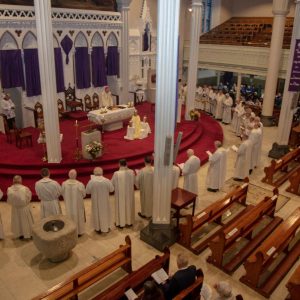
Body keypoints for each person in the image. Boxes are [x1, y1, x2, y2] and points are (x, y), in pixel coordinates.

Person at [86, 167, 114, 233]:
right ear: (102, 172)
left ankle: (98, 228)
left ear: (94, 173)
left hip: (96, 202)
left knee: (96, 213)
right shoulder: (106, 180)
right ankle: (106, 227)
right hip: (105, 202)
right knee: (105, 214)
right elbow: (112, 189)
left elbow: (87, 191)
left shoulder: (91, 181)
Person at [111, 159, 135, 228]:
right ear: (126, 164)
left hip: (120, 194)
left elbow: (111, 184)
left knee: (121, 206)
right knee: (129, 205)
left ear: (119, 164)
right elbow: (134, 181)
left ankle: (120, 223)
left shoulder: (116, 173)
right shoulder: (131, 172)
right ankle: (129, 222)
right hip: (129, 194)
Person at [62, 169, 86, 236]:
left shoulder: (64, 184)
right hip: (77, 206)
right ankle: (79, 232)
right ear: (76, 176)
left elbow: (62, 193)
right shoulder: (80, 185)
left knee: (70, 216)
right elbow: (84, 194)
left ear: (68, 175)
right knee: (78, 216)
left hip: (68, 205)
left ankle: (71, 231)